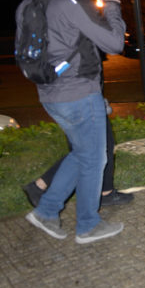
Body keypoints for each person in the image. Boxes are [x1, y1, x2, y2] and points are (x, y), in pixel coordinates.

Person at [17, 0, 126, 243]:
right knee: (94, 158)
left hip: (49, 93)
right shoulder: (71, 2)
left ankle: (47, 211)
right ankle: (88, 224)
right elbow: (114, 43)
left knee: (83, 153)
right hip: (79, 94)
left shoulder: (31, 0)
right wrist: (114, 8)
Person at [22, 47, 133, 208]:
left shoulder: (57, 27)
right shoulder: (73, 24)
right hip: (79, 94)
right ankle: (41, 189)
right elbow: (113, 43)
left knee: (98, 146)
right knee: (88, 151)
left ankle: (105, 192)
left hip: (72, 92)